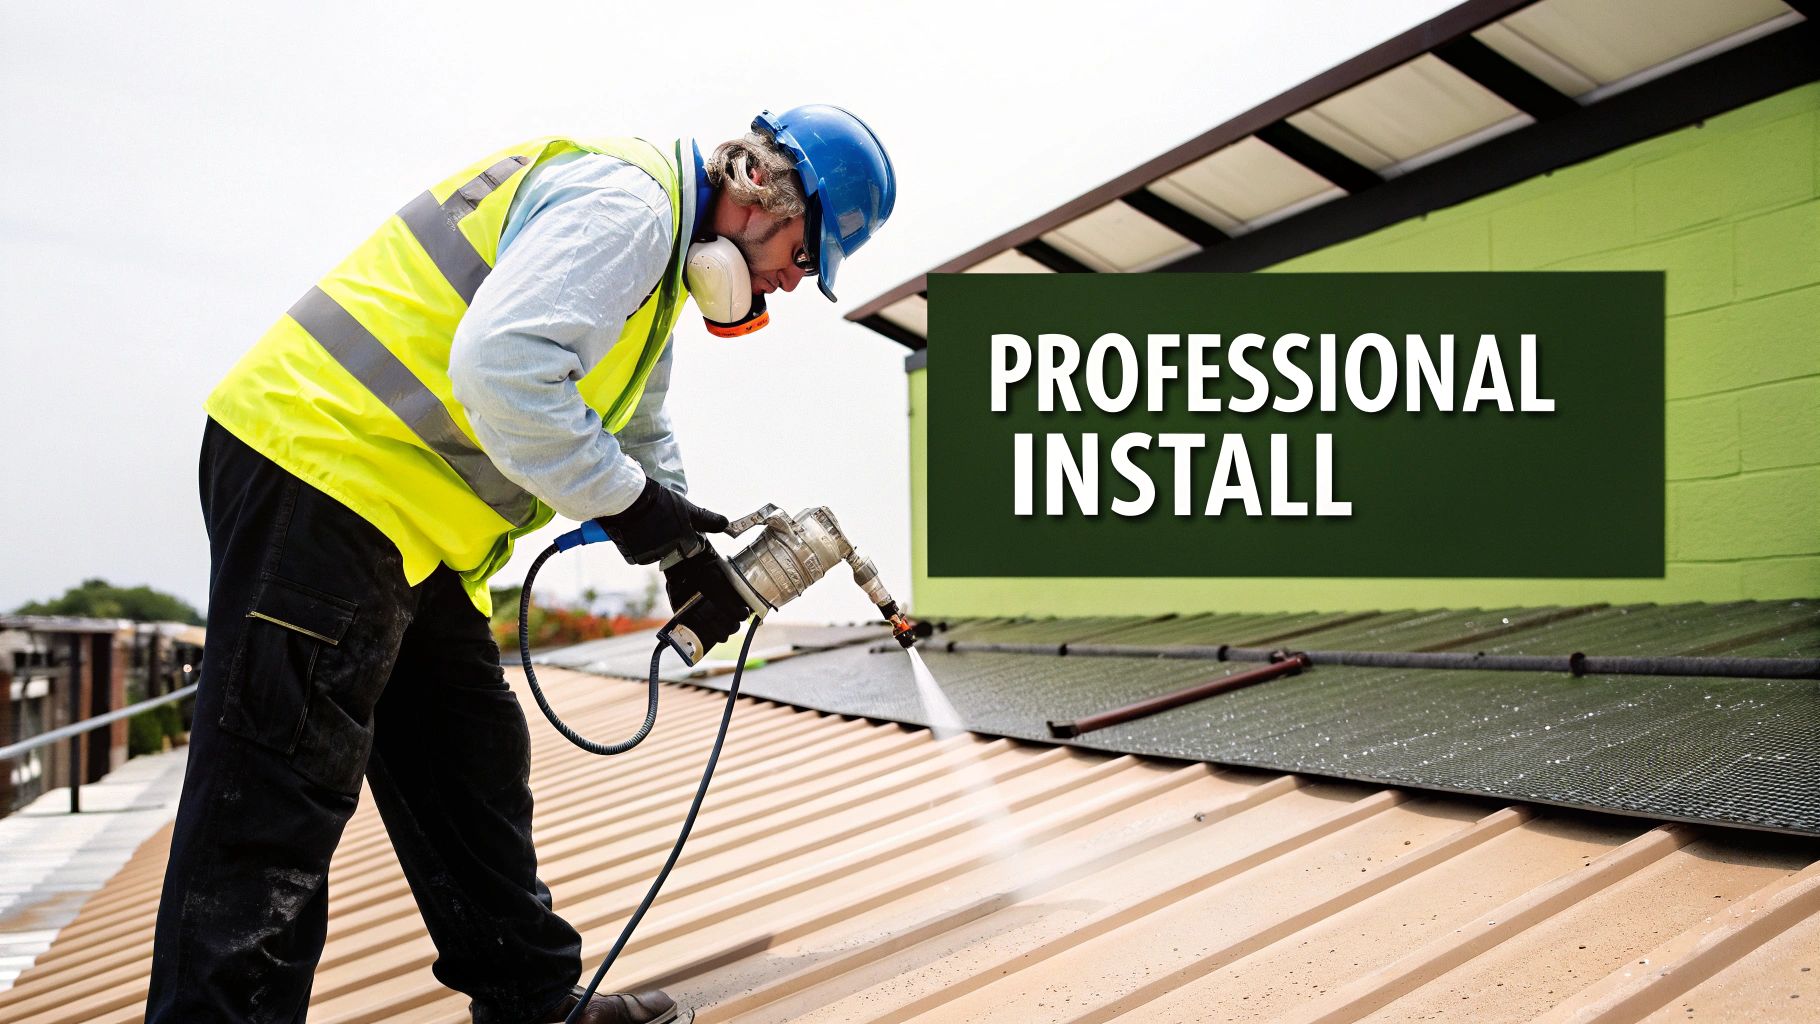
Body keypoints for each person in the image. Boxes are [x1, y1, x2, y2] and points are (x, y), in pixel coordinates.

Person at [145, 106, 896, 1024]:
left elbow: (637, 421)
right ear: (759, 193)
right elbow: (502, 369)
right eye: (804, 255)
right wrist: (631, 508)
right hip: (325, 474)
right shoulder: (629, 209)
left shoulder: (653, 267)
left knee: (468, 758)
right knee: (272, 809)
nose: (788, 281)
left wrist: (681, 545)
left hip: (401, 520)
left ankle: (531, 1005)